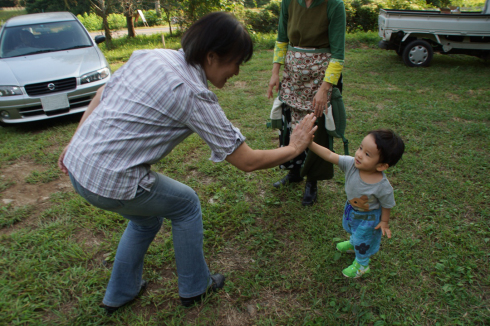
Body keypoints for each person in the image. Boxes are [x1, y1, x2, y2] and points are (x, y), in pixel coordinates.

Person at [58, 12, 318, 314]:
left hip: (77, 167)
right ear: (211, 56)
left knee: (146, 219)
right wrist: (294, 147)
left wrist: (74, 141)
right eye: (235, 62)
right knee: (186, 204)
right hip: (109, 181)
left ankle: (120, 293)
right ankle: (195, 287)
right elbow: (246, 161)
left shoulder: (152, 57)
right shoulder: (192, 93)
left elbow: (103, 92)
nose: (236, 71)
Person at [267, 0, 346, 206]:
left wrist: (324, 89)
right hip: (293, 76)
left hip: (320, 79)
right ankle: (294, 172)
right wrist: (275, 72)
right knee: (292, 124)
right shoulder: (289, 2)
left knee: (315, 130)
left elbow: (338, 54)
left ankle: (312, 181)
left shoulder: (334, 5)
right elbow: (282, 40)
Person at [308, 129, 405, 278]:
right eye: (360, 148)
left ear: (381, 166)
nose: (359, 154)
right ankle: (354, 243)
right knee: (352, 229)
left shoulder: (382, 186)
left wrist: (384, 221)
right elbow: (329, 155)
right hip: (352, 209)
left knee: (363, 240)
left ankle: (362, 264)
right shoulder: (351, 164)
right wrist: (310, 144)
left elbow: (387, 204)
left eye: (367, 154)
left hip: (369, 218)